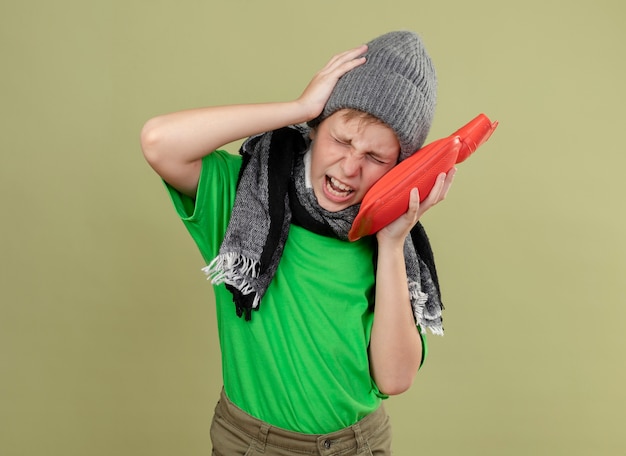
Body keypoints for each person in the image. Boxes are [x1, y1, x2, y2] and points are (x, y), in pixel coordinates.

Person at [141, 30, 455, 456]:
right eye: (341, 140)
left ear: (399, 169)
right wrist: (300, 106)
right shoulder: (241, 199)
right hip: (252, 443)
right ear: (313, 130)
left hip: (358, 445)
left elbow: (394, 379)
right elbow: (159, 142)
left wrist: (391, 244)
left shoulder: (390, 241)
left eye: (376, 158)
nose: (349, 167)